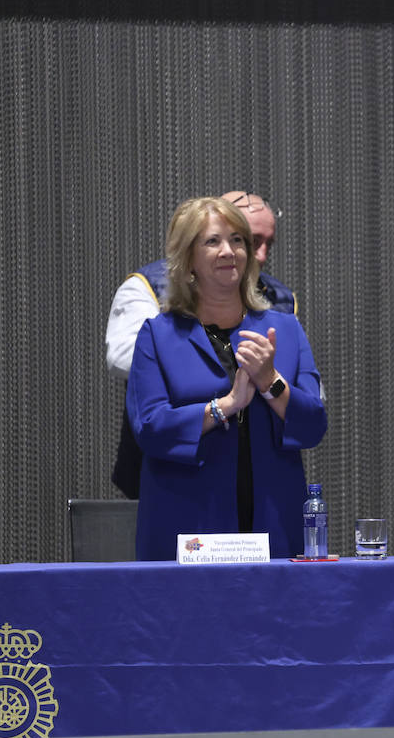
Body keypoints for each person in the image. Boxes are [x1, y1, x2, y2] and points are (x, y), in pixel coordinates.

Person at [126, 196, 326, 560]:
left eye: (237, 240)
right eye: (212, 241)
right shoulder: (158, 334)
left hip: (275, 524)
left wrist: (270, 381)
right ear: (188, 259)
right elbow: (150, 428)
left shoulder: (285, 330)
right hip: (186, 529)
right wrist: (225, 406)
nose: (229, 251)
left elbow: (313, 425)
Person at [107, 191, 296, 498]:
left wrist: (270, 380)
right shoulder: (148, 287)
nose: (257, 254)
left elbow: (304, 395)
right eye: (248, 238)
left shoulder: (281, 300)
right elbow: (121, 357)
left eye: (262, 244)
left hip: (258, 481)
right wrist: (219, 385)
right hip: (173, 472)